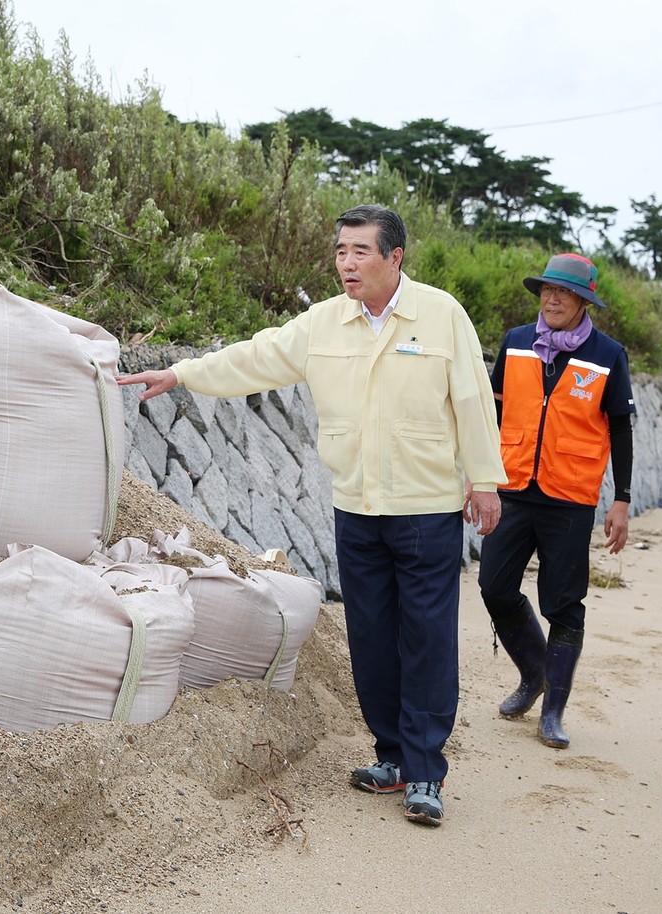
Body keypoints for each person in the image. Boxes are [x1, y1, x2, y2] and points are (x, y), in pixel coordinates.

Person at [117, 204, 506, 828]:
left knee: (427, 637)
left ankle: (427, 769)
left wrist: (485, 481)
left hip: (425, 507)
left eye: (361, 252)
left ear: (394, 257)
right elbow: (256, 357)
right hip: (355, 507)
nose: (347, 263)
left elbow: (472, 400)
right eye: (341, 251)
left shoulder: (441, 316)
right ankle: (392, 757)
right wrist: (182, 373)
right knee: (371, 635)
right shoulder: (324, 323)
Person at [476, 253, 635, 750]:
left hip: (570, 497)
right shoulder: (517, 342)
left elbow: (622, 431)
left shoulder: (608, 354)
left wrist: (622, 498)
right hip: (514, 486)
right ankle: (535, 672)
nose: (551, 299)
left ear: (584, 301)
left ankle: (553, 711)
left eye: (563, 293)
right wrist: (480, 477)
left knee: (564, 606)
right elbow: (491, 413)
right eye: (546, 290)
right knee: (494, 586)